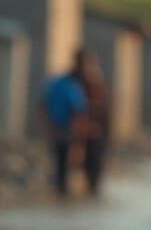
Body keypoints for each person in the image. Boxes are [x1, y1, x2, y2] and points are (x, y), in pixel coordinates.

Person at [43, 56, 88, 196]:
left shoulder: (55, 84)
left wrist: (48, 125)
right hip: (66, 128)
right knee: (65, 159)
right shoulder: (71, 87)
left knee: (58, 158)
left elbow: (43, 104)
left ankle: (59, 187)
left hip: (55, 126)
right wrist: (77, 131)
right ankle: (62, 188)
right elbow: (78, 110)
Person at [74, 48, 110, 195]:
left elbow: (103, 108)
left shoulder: (96, 81)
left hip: (96, 129)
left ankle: (92, 189)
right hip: (80, 127)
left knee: (94, 162)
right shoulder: (74, 80)